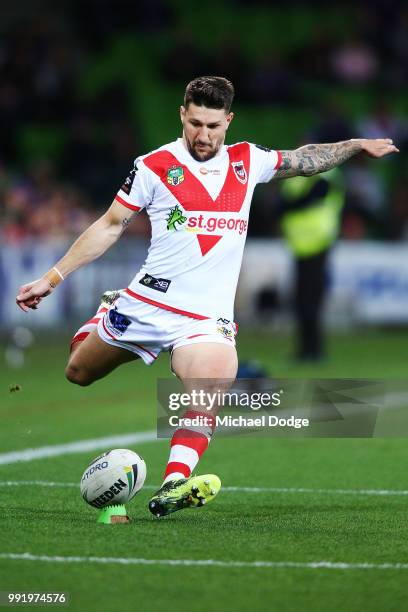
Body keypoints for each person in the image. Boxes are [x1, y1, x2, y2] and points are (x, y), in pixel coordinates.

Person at [16, 76, 399, 517]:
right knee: (77, 372)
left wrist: (355, 144)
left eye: (213, 125)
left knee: (209, 388)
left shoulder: (247, 161)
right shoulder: (155, 166)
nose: (203, 134)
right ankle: (108, 309)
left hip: (205, 320)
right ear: (182, 114)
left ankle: (174, 485)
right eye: (195, 122)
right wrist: (53, 277)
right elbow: (109, 225)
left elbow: (305, 160)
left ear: (228, 121)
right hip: (146, 305)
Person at [278, 168, 344, 361]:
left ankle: (313, 350)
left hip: (318, 243)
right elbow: (283, 205)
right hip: (300, 245)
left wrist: (289, 205)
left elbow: (295, 204)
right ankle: (306, 350)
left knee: (310, 300)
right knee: (302, 300)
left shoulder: (325, 177)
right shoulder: (297, 178)